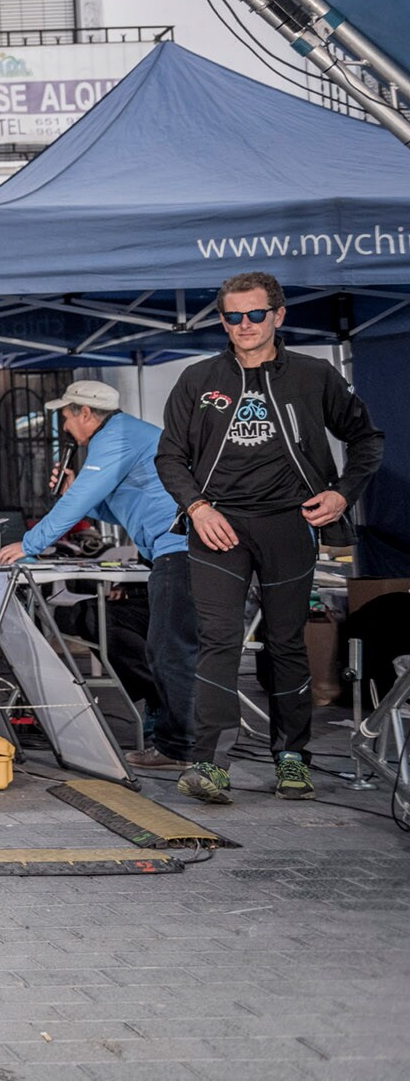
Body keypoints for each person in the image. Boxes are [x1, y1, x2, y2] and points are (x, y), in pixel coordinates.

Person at [154, 271, 385, 803]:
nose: (245, 326)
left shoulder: (313, 374)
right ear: (222, 320)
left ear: (278, 315)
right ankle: (210, 762)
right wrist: (196, 506)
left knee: (285, 642)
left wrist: (343, 494)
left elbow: (366, 439)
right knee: (218, 641)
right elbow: (170, 456)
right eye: (233, 317)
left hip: (290, 523)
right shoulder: (198, 378)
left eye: (256, 314)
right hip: (218, 527)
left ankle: (292, 756)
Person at [0, 380, 199, 769]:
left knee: (167, 650)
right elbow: (114, 509)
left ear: (86, 413)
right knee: (125, 632)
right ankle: (167, 728)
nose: (66, 428)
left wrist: (31, 543)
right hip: (161, 553)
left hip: (179, 550)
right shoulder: (123, 436)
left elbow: (75, 505)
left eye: (67, 417)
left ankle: (180, 747)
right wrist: (83, 490)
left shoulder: (116, 438)